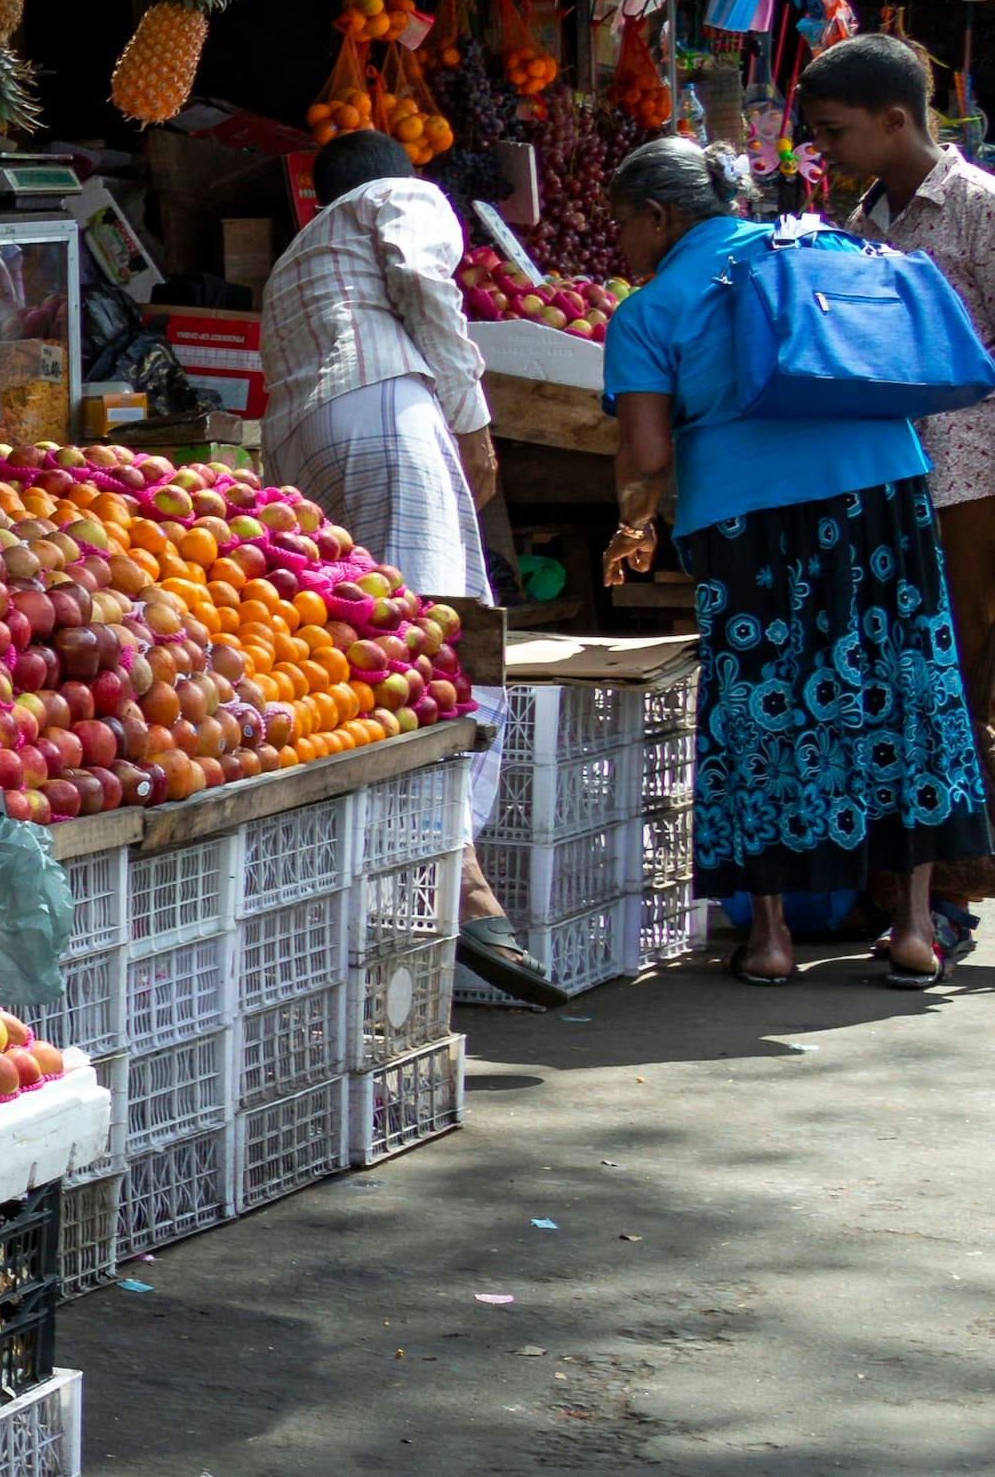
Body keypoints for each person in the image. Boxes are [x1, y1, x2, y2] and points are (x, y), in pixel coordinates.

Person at [597, 134, 992, 989]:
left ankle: (771, 939)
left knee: (760, 710)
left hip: (749, 525)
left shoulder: (649, 310)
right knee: (903, 692)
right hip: (883, 499)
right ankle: (919, 930)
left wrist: (634, 521)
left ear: (659, 217)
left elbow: (648, 454)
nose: (621, 245)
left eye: (623, 225)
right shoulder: (832, 247)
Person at [255, 131, 567, 1003]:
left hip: (306, 448)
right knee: (442, 647)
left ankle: (418, 883)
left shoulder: (295, 261)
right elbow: (429, 288)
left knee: (371, 658)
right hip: (385, 419)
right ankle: (458, 885)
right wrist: (473, 418)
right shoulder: (402, 199)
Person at [791, 32, 995, 803]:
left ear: (896, 119)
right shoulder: (867, 223)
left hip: (972, 472)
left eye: (834, 131)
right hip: (890, 467)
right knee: (914, 652)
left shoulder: (978, 206)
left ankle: (961, 842)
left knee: (968, 649)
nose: (822, 149)